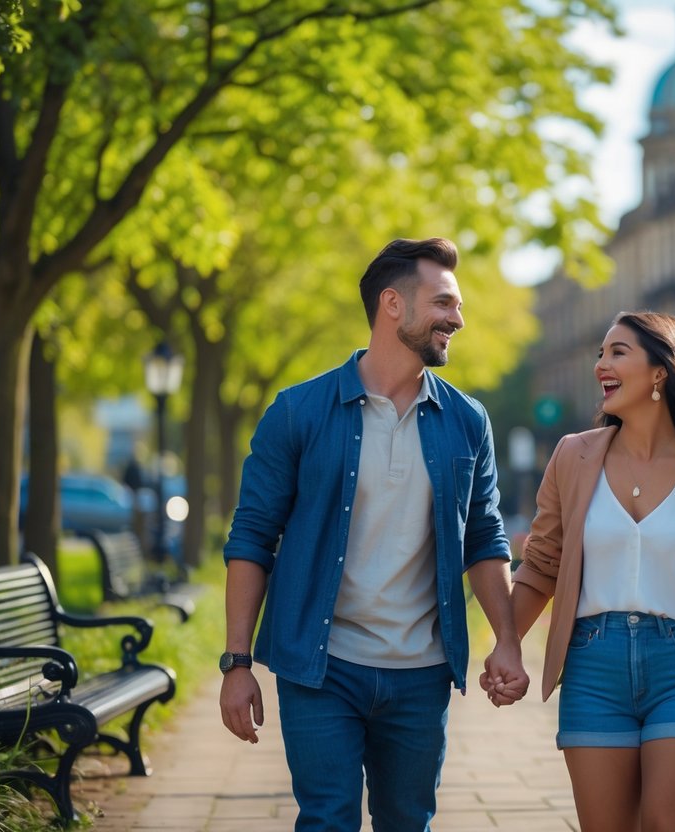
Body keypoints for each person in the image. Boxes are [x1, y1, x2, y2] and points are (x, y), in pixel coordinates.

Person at [220, 237, 527, 832]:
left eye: (457, 307)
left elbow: (485, 537)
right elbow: (251, 538)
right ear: (393, 304)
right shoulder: (298, 412)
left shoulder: (467, 421)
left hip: (422, 672)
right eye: (444, 303)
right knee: (328, 820)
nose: (457, 320)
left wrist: (507, 640)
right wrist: (237, 663)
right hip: (321, 665)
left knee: (407, 822)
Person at [486, 311, 675, 832]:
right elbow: (541, 567)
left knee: (668, 824)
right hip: (593, 667)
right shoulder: (572, 457)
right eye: (600, 354)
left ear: (660, 373)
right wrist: (506, 644)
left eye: (617, 352)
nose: (601, 364)